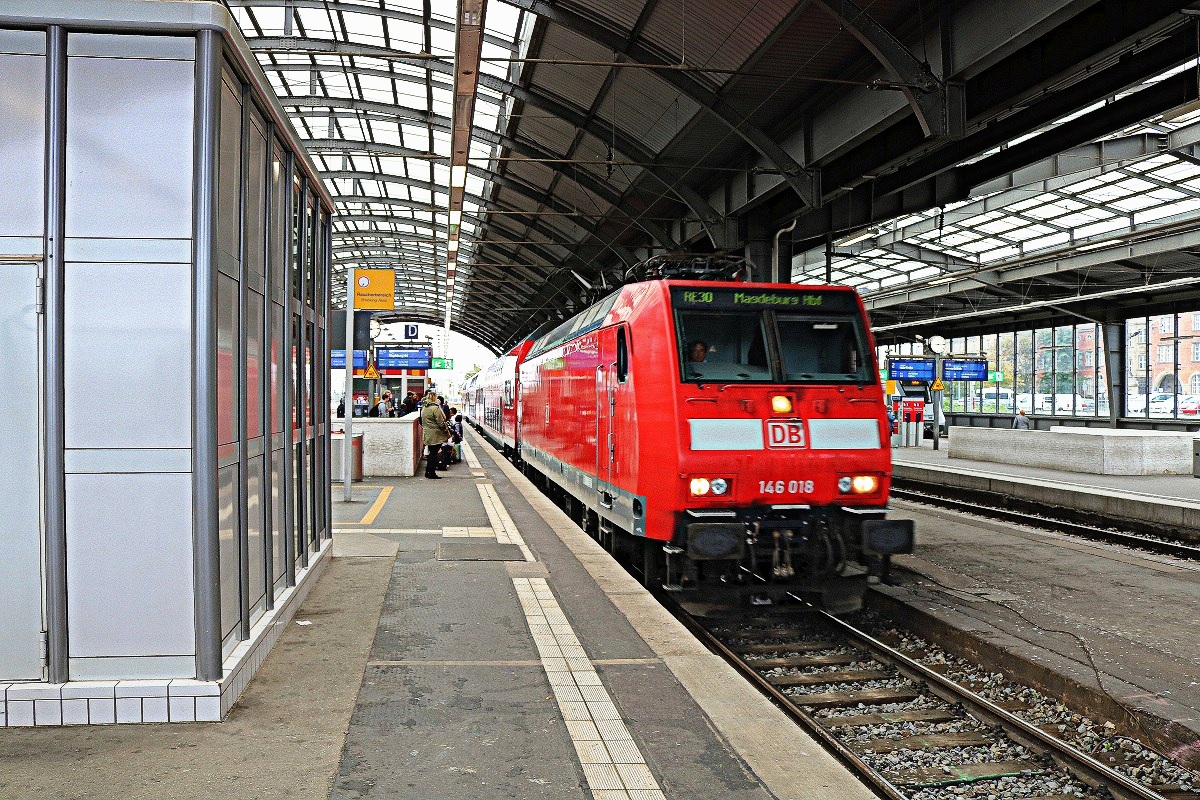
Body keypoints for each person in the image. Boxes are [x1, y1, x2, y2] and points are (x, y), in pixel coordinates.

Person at [420, 389, 451, 478]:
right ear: (434, 398)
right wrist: (446, 431)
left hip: (428, 433)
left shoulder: (424, 408)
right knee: (434, 454)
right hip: (436, 434)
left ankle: (428, 472)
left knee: (431, 453)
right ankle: (432, 473)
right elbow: (441, 422)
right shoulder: (435, 408)